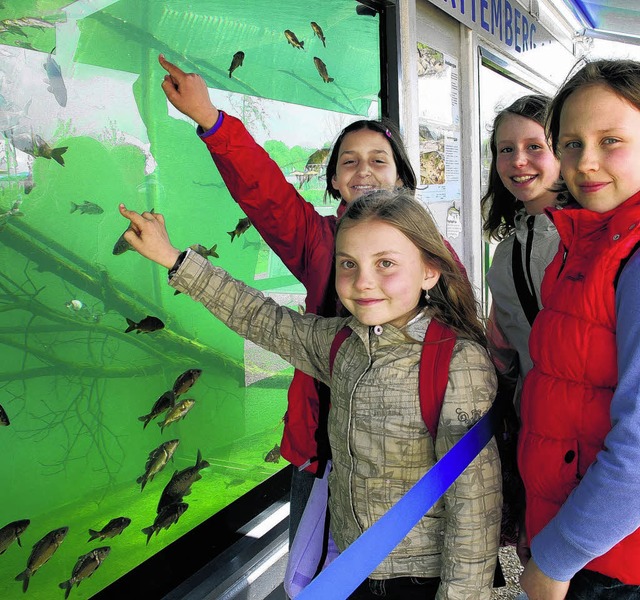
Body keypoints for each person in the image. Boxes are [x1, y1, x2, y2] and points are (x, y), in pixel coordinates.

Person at [118, 190, 502, 599]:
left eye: (385, 263)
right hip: (350, 566)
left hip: (420, 580)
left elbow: (475, 508)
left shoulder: (457, 363)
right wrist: (174, 259)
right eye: (348, 264)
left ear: (430, 271)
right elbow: (260, 317)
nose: (363, 282)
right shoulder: (340, 345)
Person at [156, 54, 464, 546]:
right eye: (349, 162)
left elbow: (463, 346)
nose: (363, 170)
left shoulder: (432, 252)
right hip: (320, 451)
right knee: (311, 577)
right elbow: (267, 195)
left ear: (402, 178)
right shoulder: (318, 241)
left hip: (406, 457)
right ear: (335, 182)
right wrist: (212, 122)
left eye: (378, 160)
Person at [517, 59, 640, 599]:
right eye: (571, 144)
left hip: (610, 565)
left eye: (610, 140)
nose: (587, 163)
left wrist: (556, 559)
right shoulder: (588, 242)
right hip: (586, 545)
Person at [480, 94, 561, 550]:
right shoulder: (508, 250)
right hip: (539, 430)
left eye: (535, 146)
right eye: (505, 149)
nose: (518, 161)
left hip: (594, 437)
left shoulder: (591, 235)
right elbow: (507, 352)